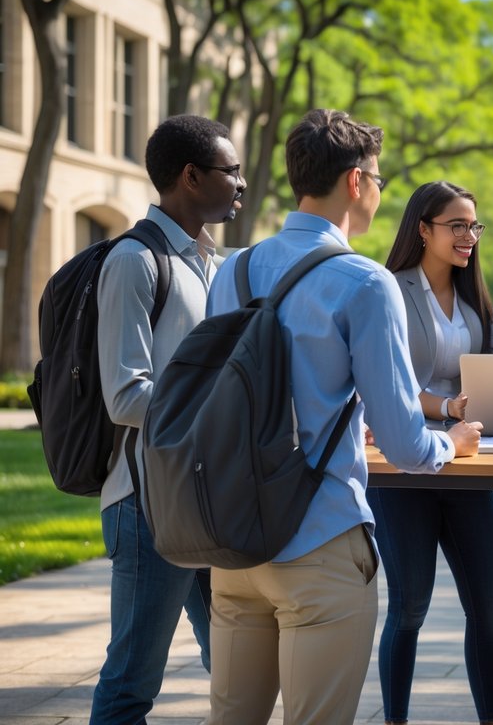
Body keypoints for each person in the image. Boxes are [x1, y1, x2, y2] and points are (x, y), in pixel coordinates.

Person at [204, 109, 482, 725]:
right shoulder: (364, 281)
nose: (380, 192)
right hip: (319, 540)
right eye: (378, 180)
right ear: (355, 182)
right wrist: (452, 443)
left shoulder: (236, 268)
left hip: (235, 538)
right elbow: (409, 447)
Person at [92, 114, 243, 723]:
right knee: (132, 682)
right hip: (147, 504)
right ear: (189, 177)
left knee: (238, 669)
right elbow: (126, 395)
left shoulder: (214, 262)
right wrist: (227, 409)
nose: (239, 184)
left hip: (208, 498)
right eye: (229, 172)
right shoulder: (135, 261)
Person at [368, 181, 493, 725]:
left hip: (466, 464)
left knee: (490, 611)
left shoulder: (474, 295)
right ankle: (395, 719)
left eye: (474, 226)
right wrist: (448, 406)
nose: (469, 236)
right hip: (404, 464)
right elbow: (390, 380)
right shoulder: (390, 290)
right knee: (409, 608)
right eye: (457, 225)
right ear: (422, 229)